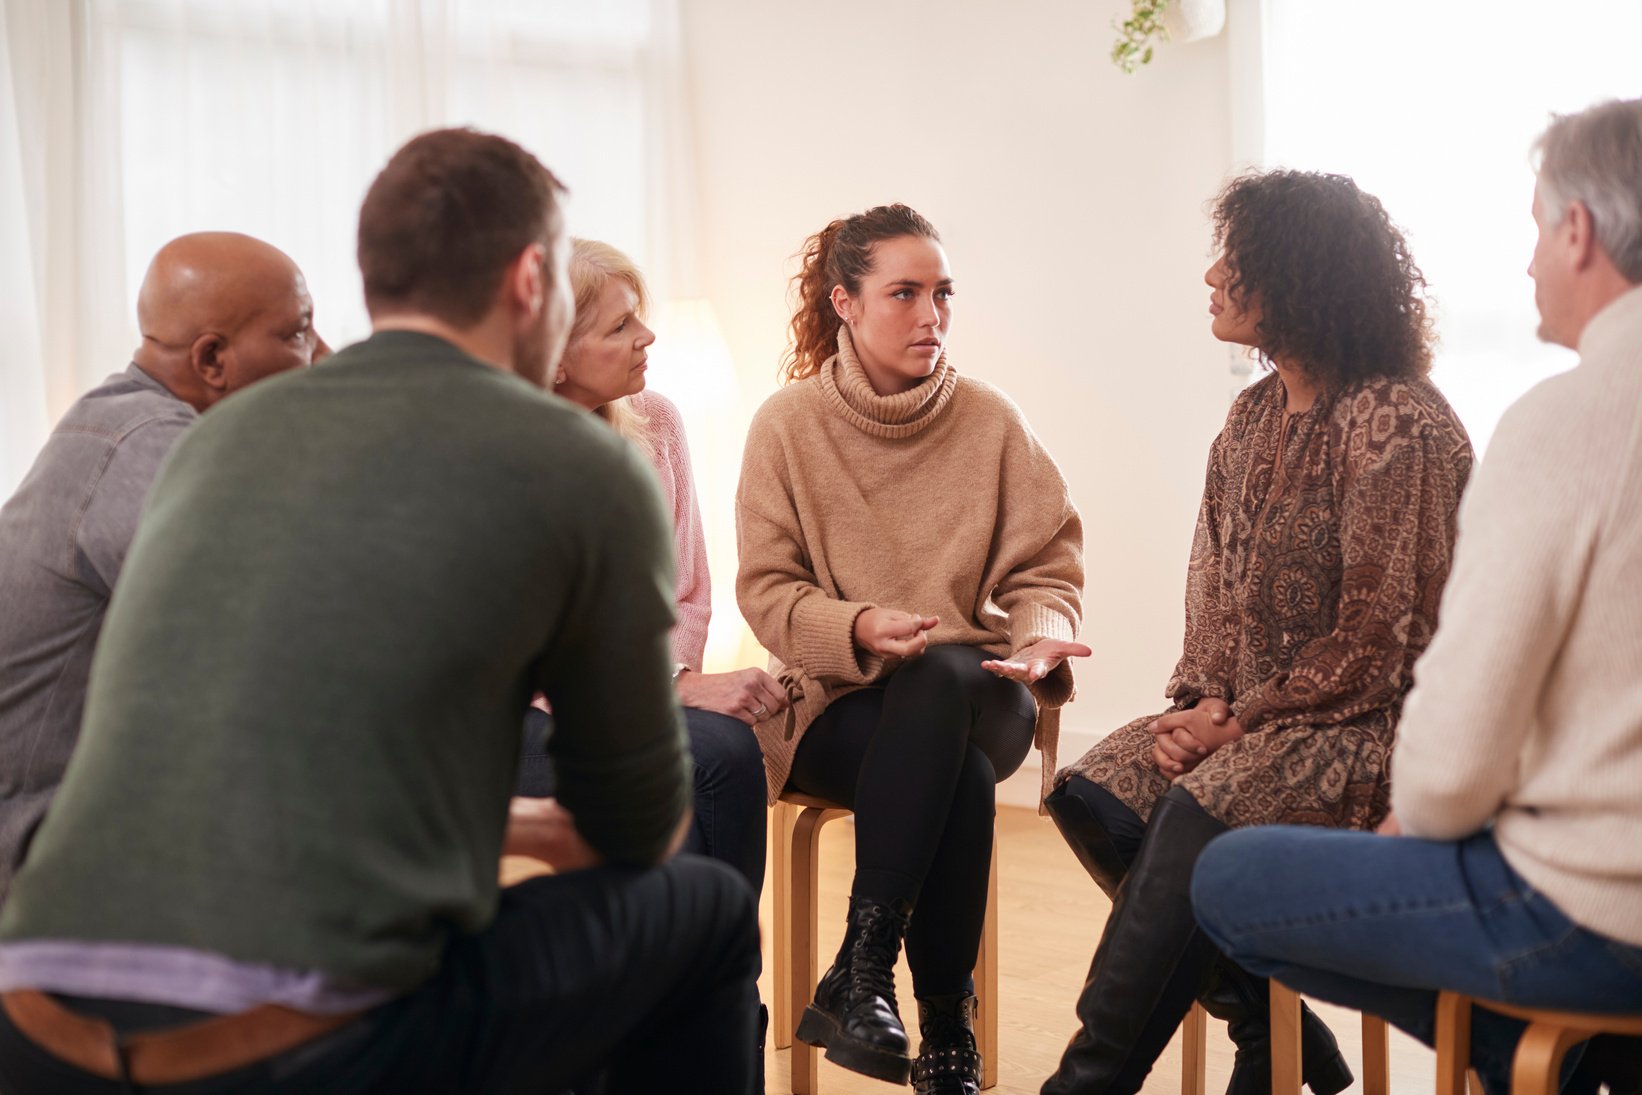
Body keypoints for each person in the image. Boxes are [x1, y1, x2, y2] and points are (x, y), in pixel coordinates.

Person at [0, 127, 760, 1094]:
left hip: (32, 1015)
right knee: (704, 909)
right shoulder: (585, 464)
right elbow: (636, 827)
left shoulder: (212, 440)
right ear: (533, 281)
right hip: (268, 1045)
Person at [1191, 99, 1642, 1095]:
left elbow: (1445, 757)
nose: (1526, 263)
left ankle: (1571, 1058)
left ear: (1578, 232)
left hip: (1596, 913)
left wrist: (1428, 809)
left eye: (1534, 229)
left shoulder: (1556, 424)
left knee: (1225, 877)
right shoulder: (1249, 418)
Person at [1040, 170, 1475, 1095]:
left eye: (1233, 259)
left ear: (1296, 274)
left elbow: (1381, 636)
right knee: (1095, 794)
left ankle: (1086, 1082)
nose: (1210, 275)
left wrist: (1239, 725)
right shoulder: (1250, 416)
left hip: (1374, 728)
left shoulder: (1398, 420)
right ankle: (1274, 1035)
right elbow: (1216, 594)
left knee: (1204, 805)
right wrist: (1200, 702)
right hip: (1258, 720)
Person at [736, 203, 1088, 1094]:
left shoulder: (990, 419)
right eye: (905, 293)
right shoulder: (787, 425)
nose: (931, 315)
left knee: (940, 680)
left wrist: (1044, 636)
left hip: (983, 683)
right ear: (845, 302)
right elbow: (768, 590)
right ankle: (946, 1038)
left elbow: (1047, 564)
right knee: (958, 777)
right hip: (841, 703)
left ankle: (861, 967)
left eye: (942, 294)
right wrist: (854, 626)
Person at [0, 231, 326, 905]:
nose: (323, 356)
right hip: (37, 841)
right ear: (213, 359)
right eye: (299, 333)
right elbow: (284, 635)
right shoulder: (147, 449)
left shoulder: (133, 423)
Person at [519, 237, 784, 897]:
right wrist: (668, 683)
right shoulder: (501, 453)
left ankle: (725, 991)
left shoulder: (656, 421)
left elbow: (688, 595)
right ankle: (687, 981)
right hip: (514, 712)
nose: (649, 335)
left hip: (627, 693)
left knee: (725, 749)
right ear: (553, 358)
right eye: (620, 326)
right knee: (682, 770)